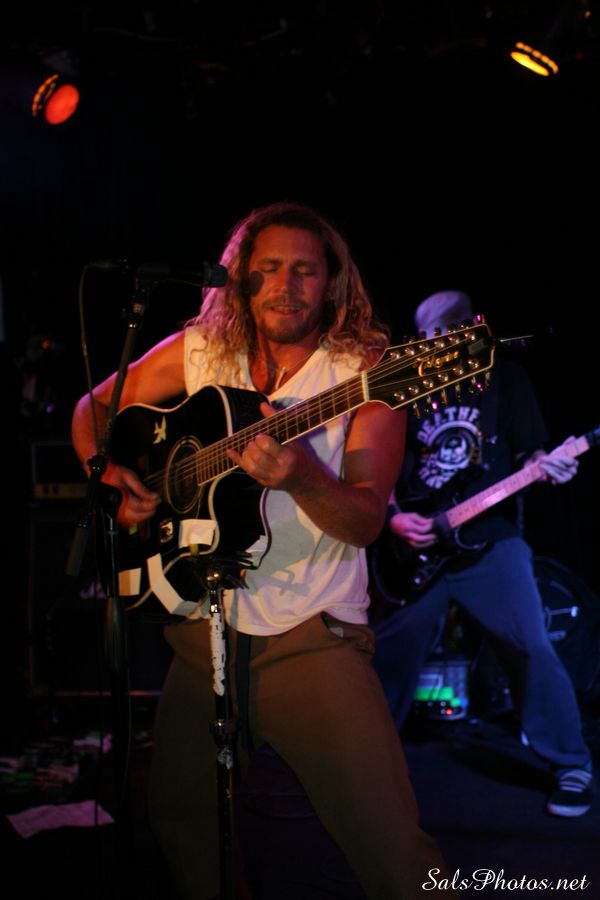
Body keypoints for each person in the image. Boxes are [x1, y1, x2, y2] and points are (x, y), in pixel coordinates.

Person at [71, 202, 452, 899]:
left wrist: (303, 475)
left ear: (333, 283)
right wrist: (110, 475)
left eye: (305, 270)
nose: (286, 285)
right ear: (241, 279)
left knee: (394, 852)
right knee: (183, 826)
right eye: (269, 268)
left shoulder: (366, 373)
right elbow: (91, 408)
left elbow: (366, 521)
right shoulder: (200, 352)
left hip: (312, 638)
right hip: (202, 633)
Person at [370, 289, 594, 819]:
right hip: (415, 548)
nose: (440, 340)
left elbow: (531, 452)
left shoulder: (506, 379)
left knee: (531, 644)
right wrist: (393, 517)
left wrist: (548, 464)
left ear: (472, 326)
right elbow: (376, 471)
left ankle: (572, 764)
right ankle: (362, 767)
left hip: (488, 539)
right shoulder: (402, 392)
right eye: (429, 333)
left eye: (451, 328)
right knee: (382, 654)